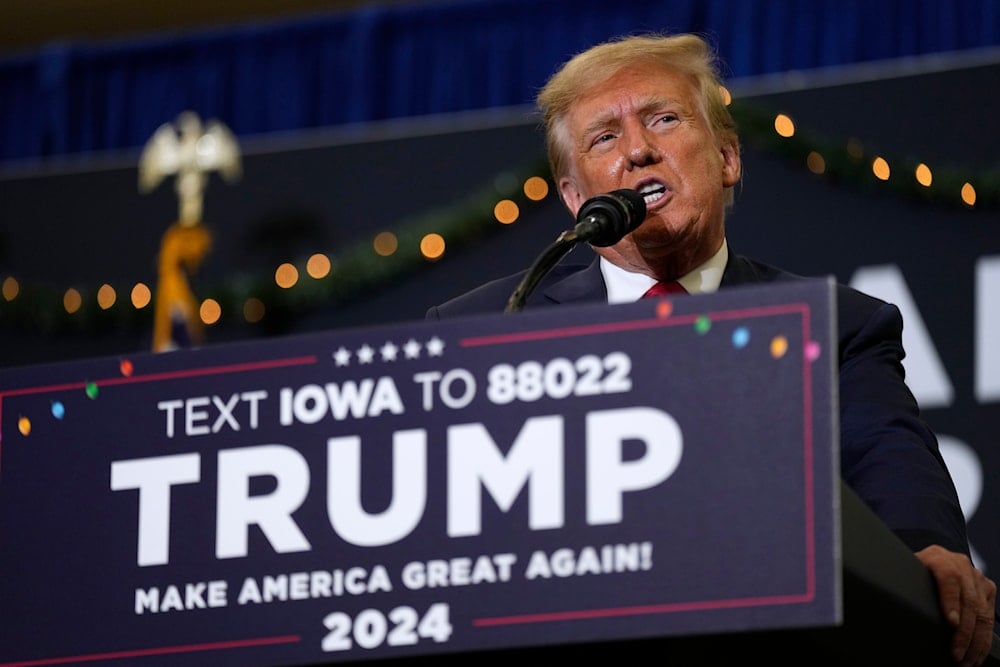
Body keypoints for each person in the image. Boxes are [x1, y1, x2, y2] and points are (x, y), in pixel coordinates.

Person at [426, 32, 997, 665]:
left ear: (727, 158)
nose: (639, 150)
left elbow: (886, 454)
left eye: (664, 120)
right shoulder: (486, 326)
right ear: (574, 198)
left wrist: (923, 554)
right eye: (604, 138)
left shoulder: (834, 325)